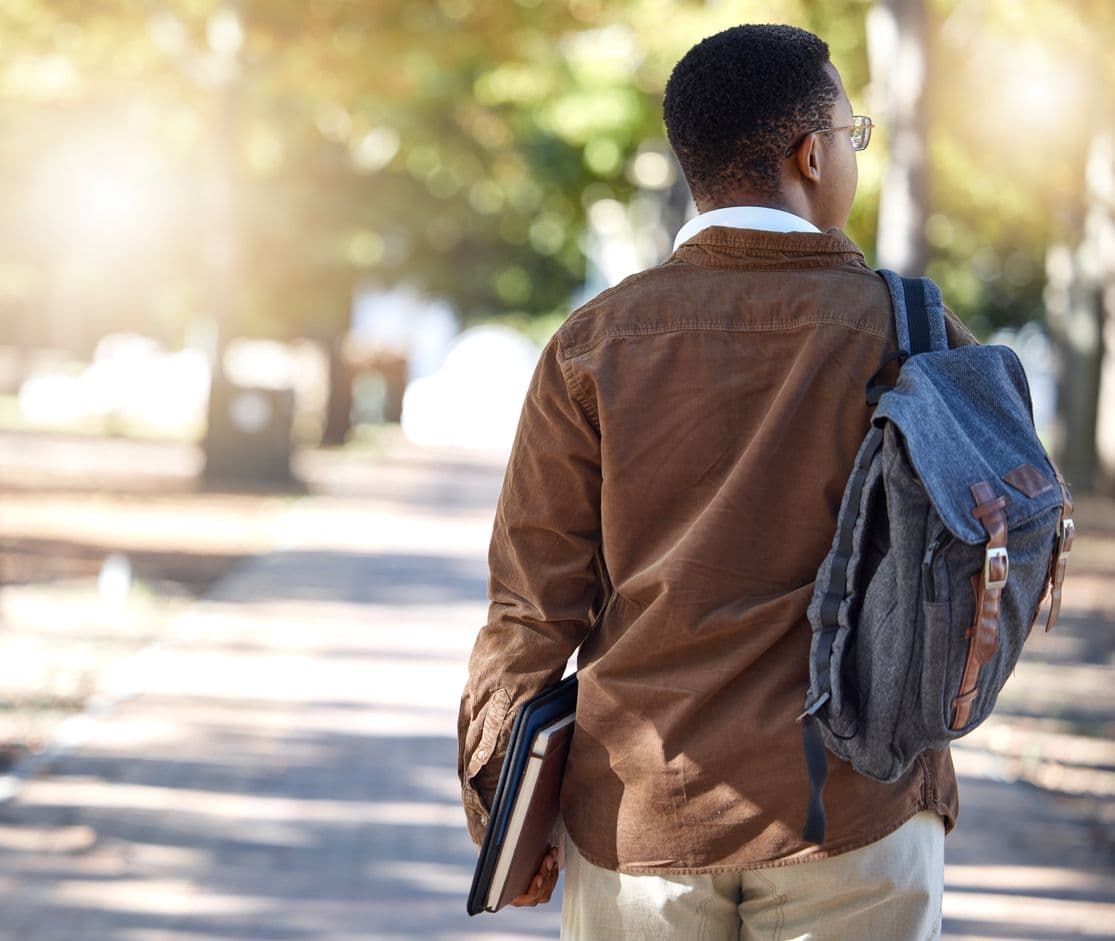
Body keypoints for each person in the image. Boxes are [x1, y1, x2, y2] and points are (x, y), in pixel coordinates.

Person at [458, 23, 977, 939]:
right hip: (857, 809)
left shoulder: (593, 344)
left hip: (643, 816)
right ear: (812, 154)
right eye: (852, 138)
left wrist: (503, 804)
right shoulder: (914, 335)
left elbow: (531, 611)